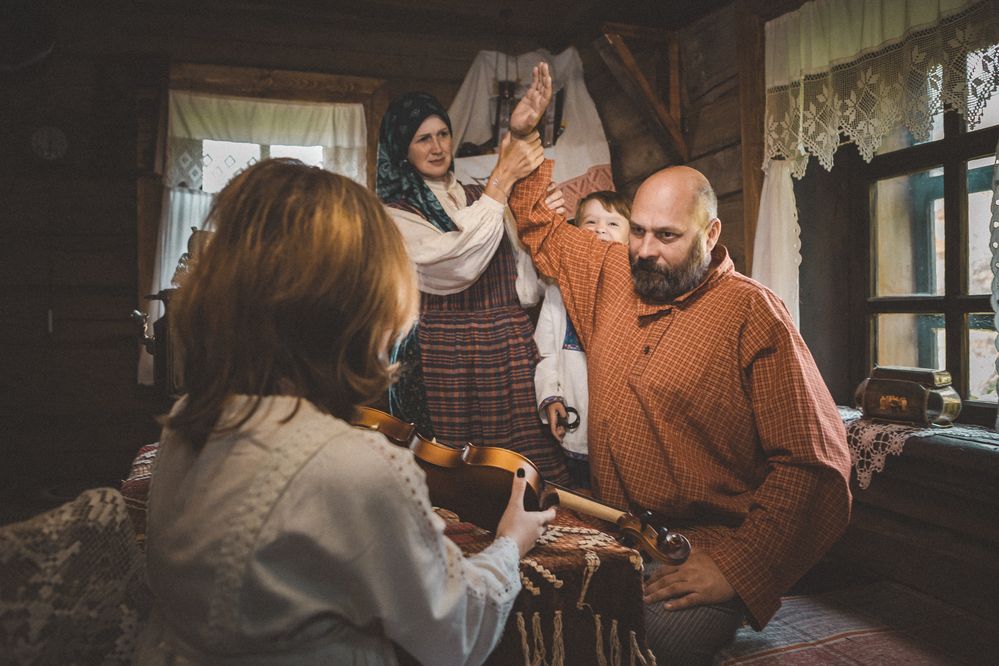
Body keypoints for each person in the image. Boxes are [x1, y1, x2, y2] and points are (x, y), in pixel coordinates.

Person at [134, 159, 556, 665]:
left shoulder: (187, 423)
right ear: (356, 309)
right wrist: (510, 544)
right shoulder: (349, 467)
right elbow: (453, 631)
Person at [507, 63, 852, 664]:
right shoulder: (613, 271)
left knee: (649, 642)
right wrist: (523, 135)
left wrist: (738, 569)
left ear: (709, 232)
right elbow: (540, 226)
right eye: (636, 230)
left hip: (698, 551)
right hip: (612, 529)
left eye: (665, 236)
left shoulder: (753, 314)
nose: (643, 249)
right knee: (521, 604)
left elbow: (815, 463)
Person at [376, 91, 571, 486]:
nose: (438, 147)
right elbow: (456, 263)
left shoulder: (481, 197)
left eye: (443, 134)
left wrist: (546, 213)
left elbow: (526, 275)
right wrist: (501, 181)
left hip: (504, 342)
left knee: (522, 466)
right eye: (423, 138)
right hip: (442, 351)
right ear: (402, 149)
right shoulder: (395, 213)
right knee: (454, 472)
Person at [534, 190, 632, 488]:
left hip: (622, 423)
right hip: (576, 412)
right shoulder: (557, 291)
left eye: (613, 224)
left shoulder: (638, 290)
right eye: (590, 221)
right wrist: (551, 397)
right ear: (575, 234)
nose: (600, 229)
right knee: (579, 490)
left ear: (631, 237)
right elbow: (546, 352)